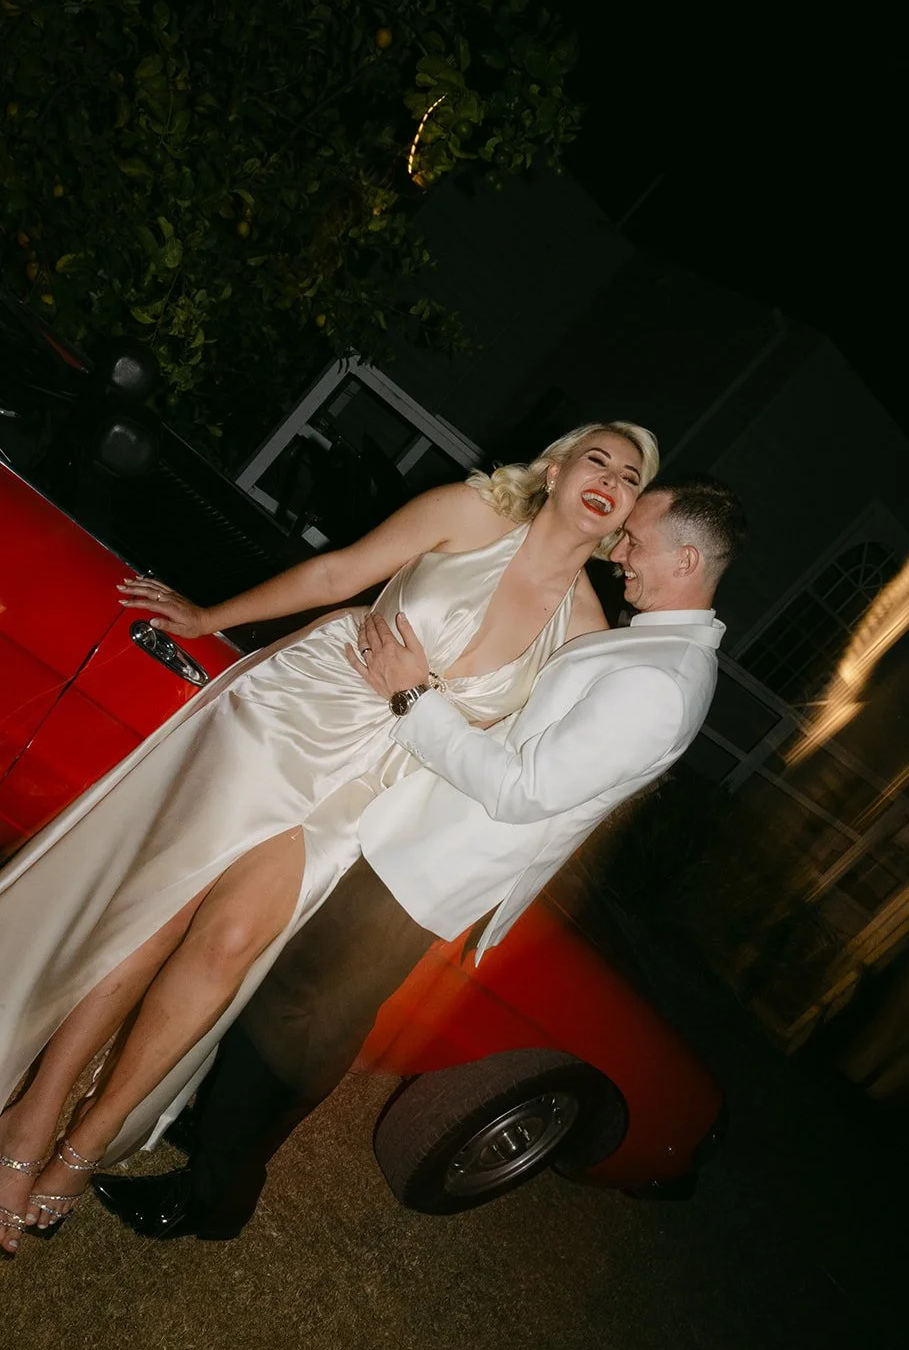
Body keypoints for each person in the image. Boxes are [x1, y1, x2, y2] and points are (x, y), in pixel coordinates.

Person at [0, 422, 658, 1256]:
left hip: (377, 788)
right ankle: (30, 1121)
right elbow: (337, 573)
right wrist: (208, 615)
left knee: (230, 943)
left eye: (630, 478)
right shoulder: (472, 512)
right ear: (556, 468)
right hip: (297, 715)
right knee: (162, 910)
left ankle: (81, 1148)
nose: (609, 479)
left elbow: (527, 765)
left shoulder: (586, 636)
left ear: (627, 516)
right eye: (597, 459)